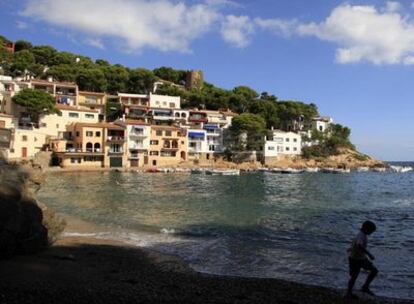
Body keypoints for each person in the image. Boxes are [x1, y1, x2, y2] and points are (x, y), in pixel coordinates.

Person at [346, 220, 378, 299]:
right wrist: (369, 254)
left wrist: (351, 248)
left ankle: (365, 287)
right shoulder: (361, 236)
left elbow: (355, 244)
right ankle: (349, 293)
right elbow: (359, 245)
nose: (371, 233)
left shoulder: (361, 234)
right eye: (371, 231)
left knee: (374, 271)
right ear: (367, 229)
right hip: (355, 259)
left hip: (361, 258)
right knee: (354, 277)